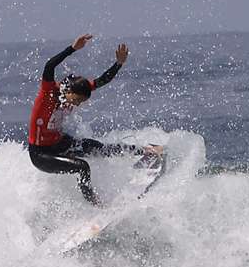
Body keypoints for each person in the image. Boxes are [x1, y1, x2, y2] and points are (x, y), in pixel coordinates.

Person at [27, 33, 161, 205]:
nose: (77, 103)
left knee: (99, 148)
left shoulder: (78, 89)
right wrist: (72, 49)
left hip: (59, 143)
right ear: (68, 91)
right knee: (82, 167)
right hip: (41, 154)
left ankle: (146, 150)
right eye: (76, 100)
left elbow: (103, 80)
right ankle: (95, 205)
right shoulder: (49, 93)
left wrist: (119, 64)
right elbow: (49, 66)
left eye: (81, 102)